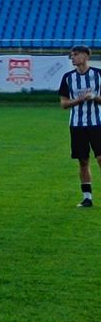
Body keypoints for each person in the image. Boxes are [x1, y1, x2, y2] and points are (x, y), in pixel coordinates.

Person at [59, 44, 101, 208]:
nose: (73, 58)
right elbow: (63, 104)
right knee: (83, 161)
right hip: (77, 125)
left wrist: (94, 97)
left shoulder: (98, 75)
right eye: (72, 55)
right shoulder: (68, 78)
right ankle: (87, 198)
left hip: (97, 123)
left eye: (76, 54)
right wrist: (80, 99)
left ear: (86, 56)